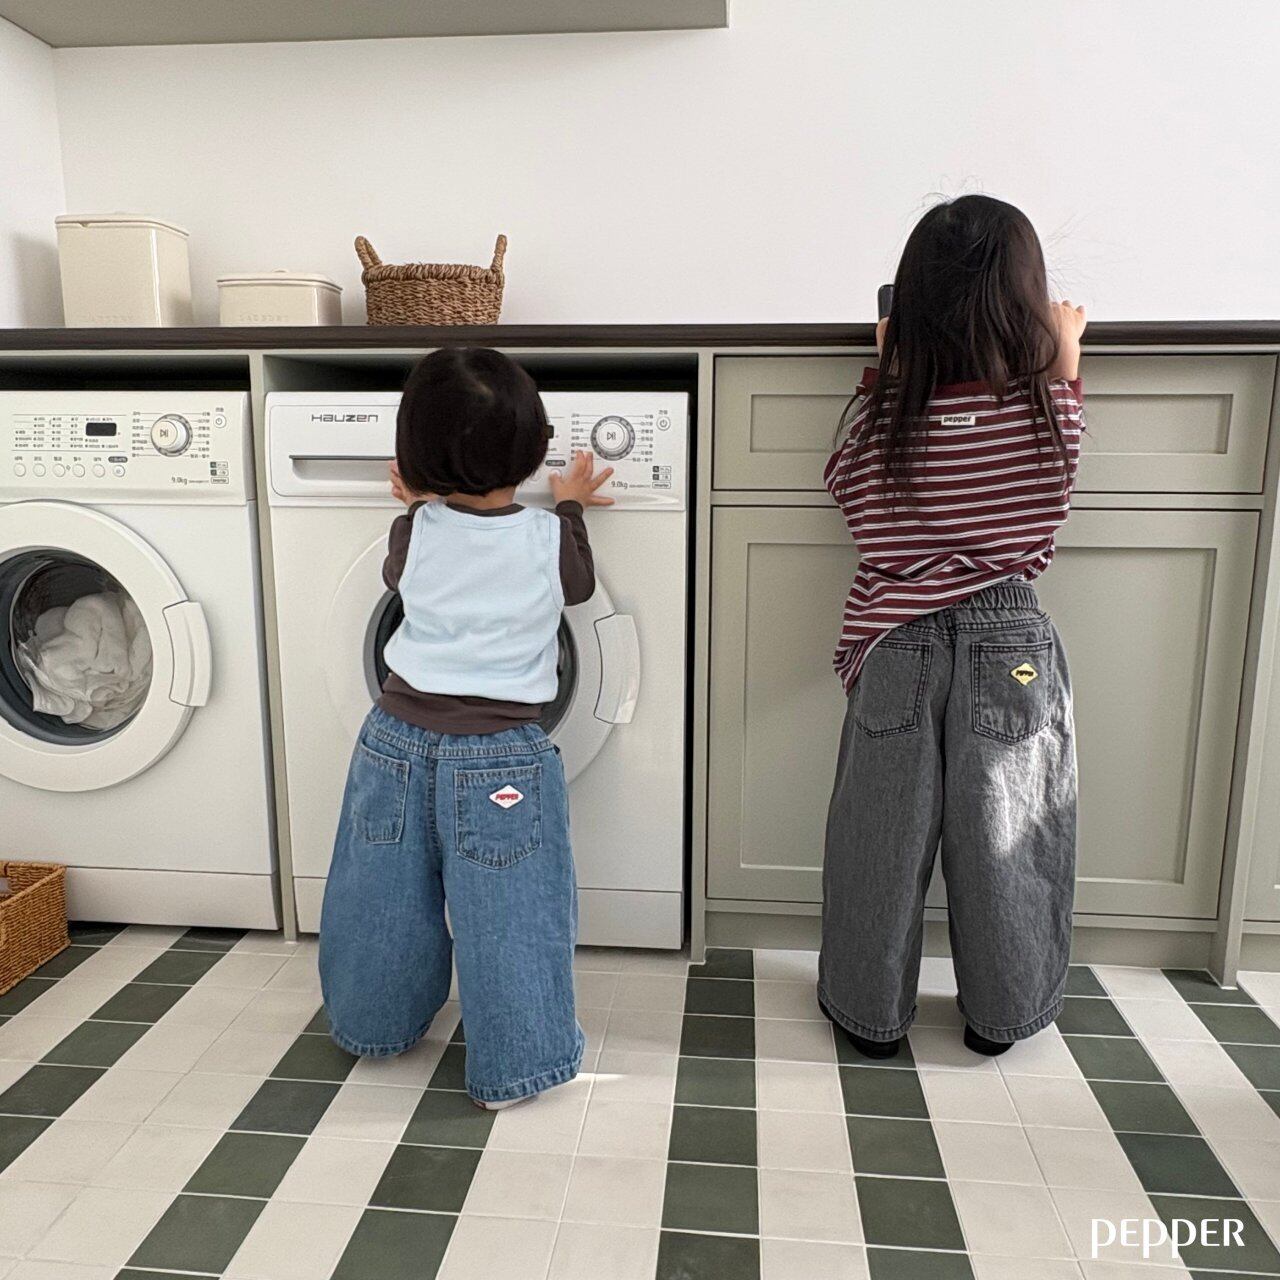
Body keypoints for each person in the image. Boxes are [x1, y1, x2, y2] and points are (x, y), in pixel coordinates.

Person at [819, 195, 1087, 1059]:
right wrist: (1066, 360)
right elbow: (1050, 499)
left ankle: (869, 1017)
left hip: (896, 639)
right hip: (1010, 642)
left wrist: (885, 371)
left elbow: (853, 498)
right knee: (1011, 835)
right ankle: (999, 1019)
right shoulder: (1045, 410)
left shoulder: (890, 417)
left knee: (879, 837)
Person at [319, 346, 613, 1107]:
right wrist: (571, 504)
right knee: (511, 915)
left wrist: (419, 499)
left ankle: (374, 1026)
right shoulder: (551, 540)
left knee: (381, 898)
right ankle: (514, 1067)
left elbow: (400, 576)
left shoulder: (413, 532)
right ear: (536, 448)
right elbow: (578, 587)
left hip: (392, 742)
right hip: (501, 758)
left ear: (416, 458)